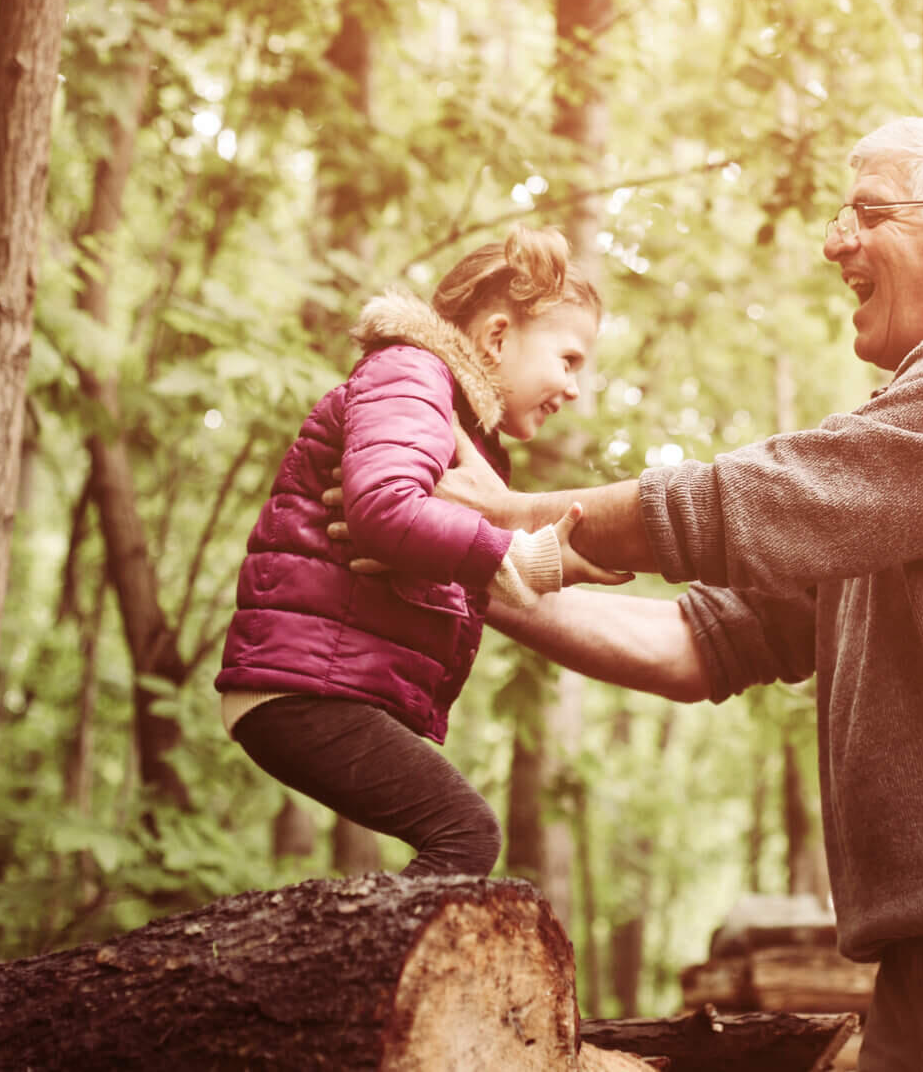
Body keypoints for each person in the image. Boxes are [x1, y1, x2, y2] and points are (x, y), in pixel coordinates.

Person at [380, 116, 923, 1071]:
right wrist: (469, 567)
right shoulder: (902, 490)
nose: (835, 239)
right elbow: (700, 643)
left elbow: (758, 499)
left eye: (867, 212)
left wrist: (506, 513)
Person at [216, 226, 626, 878]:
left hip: (315, 684)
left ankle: (362, 966)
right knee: (464, 833)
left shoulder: (460, 428)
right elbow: (383, 511)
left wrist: (533, 560)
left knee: (458, 833)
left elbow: (425, 544)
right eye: (569, 359)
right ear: (496, 337)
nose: (574, 387)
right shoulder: (410, 376)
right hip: (301, 686)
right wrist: (519, 556)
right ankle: (369, 975)